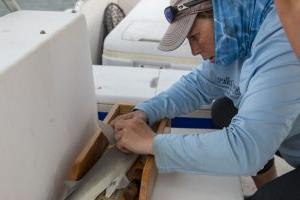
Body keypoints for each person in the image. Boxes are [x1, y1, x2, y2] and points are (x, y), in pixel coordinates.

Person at [111, 0, 300, 199]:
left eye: (195, 36)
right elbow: (197, 85)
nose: (194, 50)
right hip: (289, 136)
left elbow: (246, 149)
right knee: (224, 110)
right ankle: (269, 183)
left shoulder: (284, 38)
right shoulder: (240, 30)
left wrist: (152, 143)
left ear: (223, 13)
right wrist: (144, 111)